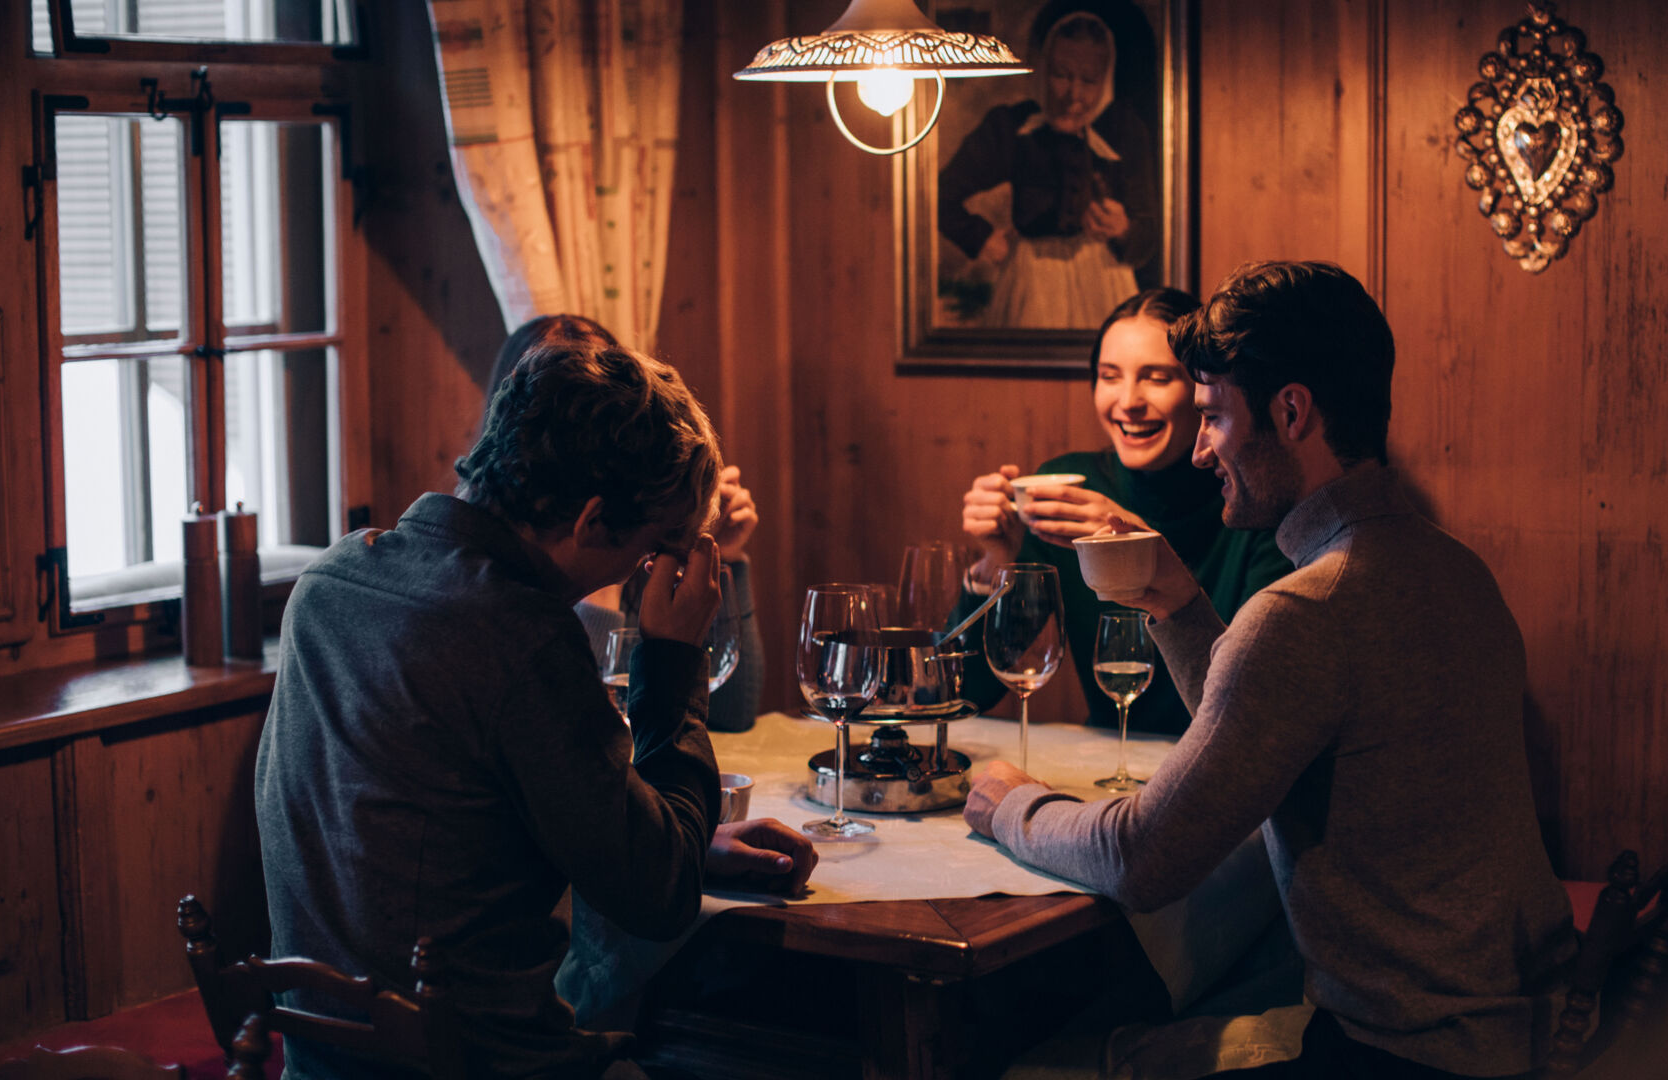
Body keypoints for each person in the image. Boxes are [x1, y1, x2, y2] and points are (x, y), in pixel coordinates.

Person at [965, 261, 1576, 1078]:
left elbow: (1141, 860)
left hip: (1399, 1055)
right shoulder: (1455, 570)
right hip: (1520, 1030)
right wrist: (1179, 603)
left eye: (1214, 416)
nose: (1201, 450)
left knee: (1031, 1068)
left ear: (1290, 413)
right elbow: (1266, 719)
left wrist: (1011, 806)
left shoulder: (1308, 609)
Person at [256, 339, 815, 1079]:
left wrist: (678, 831)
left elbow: (435, 822)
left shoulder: (330, 581)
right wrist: (674, 657)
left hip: (320, 1065)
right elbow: (660, 896)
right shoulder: (521, 636)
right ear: (591, 521)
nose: (649, 572)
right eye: (657, 548)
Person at [957, 288, 1293, 736]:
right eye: (1110, 376)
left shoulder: (1255, 501)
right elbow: (965, 693)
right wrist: (996, 565)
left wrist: (1143, 553)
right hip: (1103, 761)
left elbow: (1250, 711)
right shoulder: (1064, 492)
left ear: (1203, 389)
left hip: (1214, 763)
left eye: (1157, 378)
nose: (1128, 401)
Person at [484, 315, 765, 733]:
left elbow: (732, 713)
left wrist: (724, 558)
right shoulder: (497, 582)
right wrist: (600, 588)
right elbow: (587, 739)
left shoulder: (640, 527)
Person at [936, 11, 1158, 328]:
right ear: (1042, 72)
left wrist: (1124, 229)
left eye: (1089, 81)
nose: (1074, 95)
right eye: (1061, 75)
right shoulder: (1009, 127)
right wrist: (981, 237)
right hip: (1031, 283)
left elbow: (1149, 233)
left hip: (1105, 284)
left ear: (1106, 80)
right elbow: (938, 194)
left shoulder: (1125, 131)